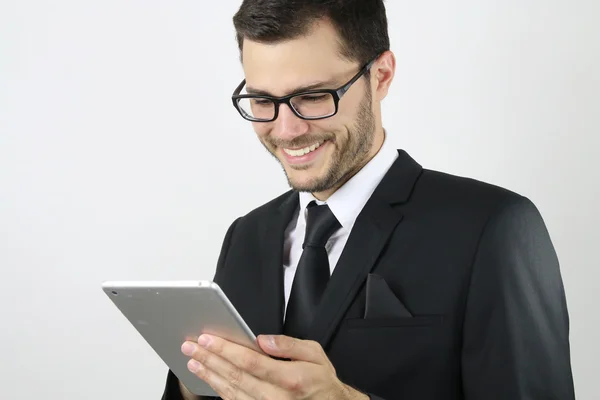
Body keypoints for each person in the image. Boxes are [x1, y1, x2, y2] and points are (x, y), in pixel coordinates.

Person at [162, 0, 575, 399]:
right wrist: (198, 379)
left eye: (313, 96)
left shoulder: (493, 227)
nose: (286, 130)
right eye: (263, 101)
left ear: (381, 75)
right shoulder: (246, 236)